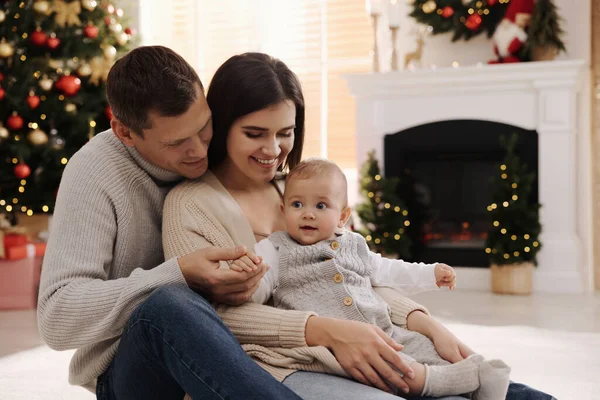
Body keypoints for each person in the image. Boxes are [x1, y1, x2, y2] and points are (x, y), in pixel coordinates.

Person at [162, 51, 555, 400]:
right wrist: (329, 332)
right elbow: (204, 320)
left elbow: (359, 269)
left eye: (286, 133)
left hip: (379, 338)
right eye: (254, 134)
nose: (273, 150)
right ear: (222, 125)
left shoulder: (304, 188)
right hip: (287, 363)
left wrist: (426, 325)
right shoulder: (191, 205)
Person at [37, 46, 303, 400]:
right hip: (134, 369)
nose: (200, 151)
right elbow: (56, 317)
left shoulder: (238, 159)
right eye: (177, 142)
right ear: (125, 132)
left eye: (204, 127)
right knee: (168, 305)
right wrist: (177, 273)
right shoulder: (95, 171)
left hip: (228, 354)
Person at [243, 158, 511, 399]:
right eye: (297, 204)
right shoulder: (275, 249)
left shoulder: (354, 245)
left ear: (343, 216)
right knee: (397, 370)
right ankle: (460, 380)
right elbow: (254, 285)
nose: (308, 213)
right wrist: (243, 282)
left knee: (426, 348)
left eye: (321, 205)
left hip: (384, 329)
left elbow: (389, 272)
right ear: (283, 209)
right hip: (335, 348)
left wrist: (430, 273)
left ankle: (476, 386)